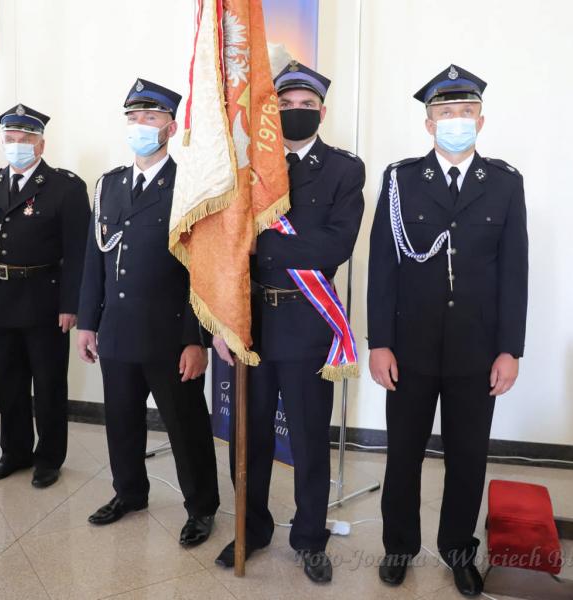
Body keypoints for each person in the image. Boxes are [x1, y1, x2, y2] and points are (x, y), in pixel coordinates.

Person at [367, 64, 528, 597]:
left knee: (467, 457)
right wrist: (379, 342)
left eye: (465, 111)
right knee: (403, 454)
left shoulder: (504, 183)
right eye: (444, 112)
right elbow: (383, 267)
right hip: (409, 347)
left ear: (480, 121)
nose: (455, 120)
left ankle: (459, 551)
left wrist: (509, 349)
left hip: (476, 351)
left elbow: (514, 273)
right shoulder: (401, 181)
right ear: (428, 124)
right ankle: (398, 547)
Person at [213, 61, 366, 583]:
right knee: (248, 437)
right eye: (285, 105)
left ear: (323, 111)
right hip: (251, 322)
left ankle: (309, 538)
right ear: (269, 111)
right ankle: (251, 528)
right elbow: (225, 250)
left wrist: (267, 245)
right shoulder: (248, 167)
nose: (295, 112)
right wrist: (221, 322)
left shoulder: (344, 169)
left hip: (306, 321)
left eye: (306, 105)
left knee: (307, 438)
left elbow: (335, 245)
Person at [76, 78, 219, 547]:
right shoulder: (110, 184)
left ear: (170, 128)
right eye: (133, 117)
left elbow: (203, 270)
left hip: (170, 334)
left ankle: (201, 507)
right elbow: (95, 258)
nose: (140, 125)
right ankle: (129, 493)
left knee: (185, 426)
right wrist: (87, 322)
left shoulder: (190, 186)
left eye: (151, 118)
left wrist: (196, 339)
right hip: (117, 329)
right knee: (121, 421)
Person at [0, 104, 89, 489]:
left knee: (48, 386)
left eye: (25, 139)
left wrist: (71, 305)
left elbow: (78, 253)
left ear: (41, 144)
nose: (16, 145)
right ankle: (13, 453)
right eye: (10, 138)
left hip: (43, 301)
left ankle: (48, 458)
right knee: (8, 384)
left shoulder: (65, 187)